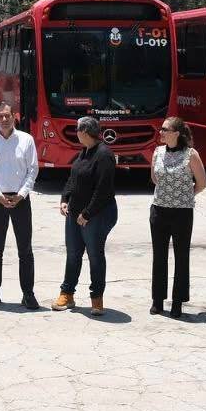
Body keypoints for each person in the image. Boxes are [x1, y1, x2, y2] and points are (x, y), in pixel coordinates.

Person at [0, 101, 40, 310]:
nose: (4, 119)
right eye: (0, 116)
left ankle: (28, 293)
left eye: (7, 115)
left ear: (14, 116)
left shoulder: (26, 140)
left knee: (25, 249)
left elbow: (33, 170)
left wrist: (22, 194)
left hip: (21, 200)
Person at [54, 116, 118, 316]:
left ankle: (97, 297)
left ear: (84, 132)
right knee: (73, 254)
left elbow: (103, 190)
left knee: (95, 255)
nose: (76, 133)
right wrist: (65, 198)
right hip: (75, 213)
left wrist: (87, 213)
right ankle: (67, 293)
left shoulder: (104, 154)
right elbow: (72, 179)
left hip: (96, 214)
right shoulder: (84, 152)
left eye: (77, 130)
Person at [149, 116, 206, 319]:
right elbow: (154, 178)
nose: (161, 132)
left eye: (165, 129)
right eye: (161, 129)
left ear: (176, 133)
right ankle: (157, 300)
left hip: (182, 212)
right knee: (159, 256)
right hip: (159, 209)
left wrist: (184, 195)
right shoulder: (158, 152)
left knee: (181, 257)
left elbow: (202, 183)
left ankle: (177, 302)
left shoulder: (191, 154)